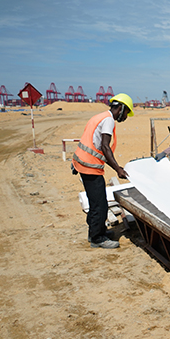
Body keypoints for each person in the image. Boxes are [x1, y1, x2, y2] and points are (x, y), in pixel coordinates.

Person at [72, 93, 134, 249]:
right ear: (121, 108)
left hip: (83, 162)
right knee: (99, 204)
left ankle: (96, 231)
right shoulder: (108, 121)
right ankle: (97, 238)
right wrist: (118, 168)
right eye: (126, 113)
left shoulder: (100, 116)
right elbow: (105, 147)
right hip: (89, 166)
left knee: (96, 202)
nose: (125, 117)